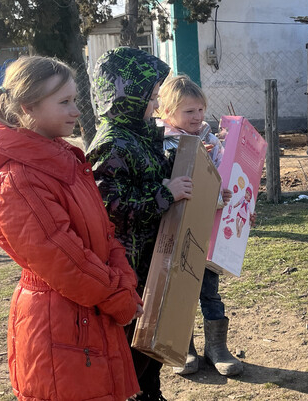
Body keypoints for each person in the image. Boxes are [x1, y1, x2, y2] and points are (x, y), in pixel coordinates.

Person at [0, 56, 142, 401]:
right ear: (28, 107)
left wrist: (123, 279)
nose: (76, 111)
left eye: (75, 100)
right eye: (64, 102)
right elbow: (63, 260)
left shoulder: (63, 160)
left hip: (86, 311)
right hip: (60, 320)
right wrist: (118, 294)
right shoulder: (17, 180)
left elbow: (103, 233)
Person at [87, 47, 193, 401]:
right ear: (125, 96)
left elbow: (154, 174)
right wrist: (165, 196)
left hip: (153, 255)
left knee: (154, 339)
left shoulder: (139, 135)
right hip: (131, 263)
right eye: (150, 96)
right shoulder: (112, 143)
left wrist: (181, 164)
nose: (154, 103)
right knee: (135, 342)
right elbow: (110, 205)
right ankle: (133, 393)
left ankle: (151, 392)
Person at [156, 74, 244, 377]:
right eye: (188, 111)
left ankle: (217, 348)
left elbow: (220, 177)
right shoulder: (160, 144)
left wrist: (223, 192)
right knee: (180, 290)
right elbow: (161, 184)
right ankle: (184, 347)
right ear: (166, 112)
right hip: (175, 229)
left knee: (210, 291)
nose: (197, 117)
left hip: (205, 229)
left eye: (200, 110)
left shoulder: (210, 140)